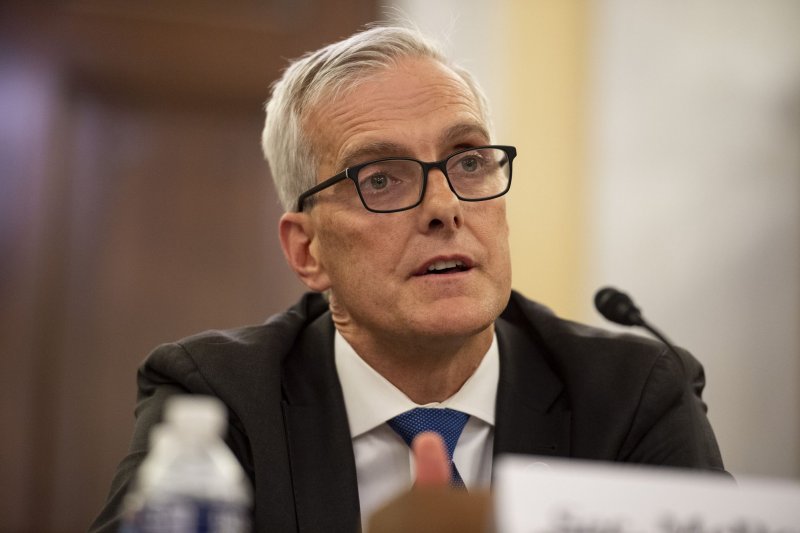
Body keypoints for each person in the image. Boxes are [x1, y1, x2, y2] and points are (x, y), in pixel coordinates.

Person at [90, 24, 726, 532]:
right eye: (381, 179)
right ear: (307, 250)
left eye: (469, 161)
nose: (444, 206)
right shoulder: (219, 400)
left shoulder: (631, 395)